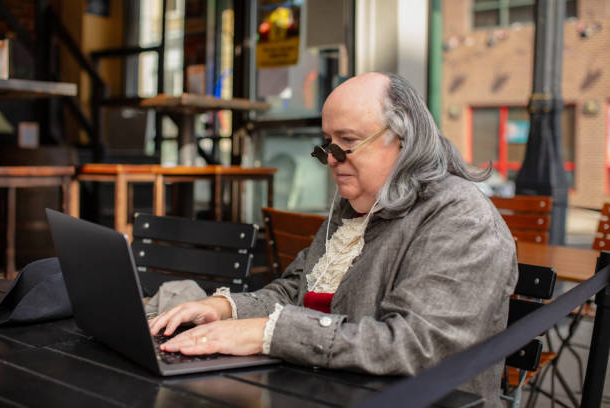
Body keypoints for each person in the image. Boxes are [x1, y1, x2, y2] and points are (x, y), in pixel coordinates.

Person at [149, 72, 517, 406]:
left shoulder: (462, 219)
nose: (331, 159)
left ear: (404, 140)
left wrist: (267, 334)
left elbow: (415, 346)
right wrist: (224, 309)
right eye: (327, 143)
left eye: (347, 142)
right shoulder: (356, 205)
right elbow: (295, 291)